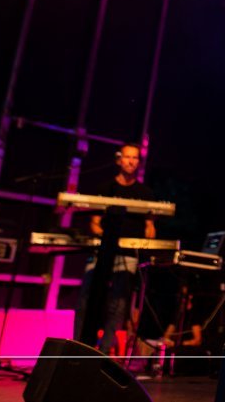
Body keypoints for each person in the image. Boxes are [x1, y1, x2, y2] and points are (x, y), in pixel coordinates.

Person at [73, 143, 157, 356]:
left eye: (135, 158)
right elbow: (94, 223)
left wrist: (143, 243)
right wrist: (108, 239)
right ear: (119, 160)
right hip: (101, 251)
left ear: (139, 162)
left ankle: (103, 352)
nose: (131, 161)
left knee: (118, 304)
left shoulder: (146, 193)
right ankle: (78, 347)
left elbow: (150, 228)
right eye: (127, 157)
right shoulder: (106, 188)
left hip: (128, 255)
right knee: (86, 297)